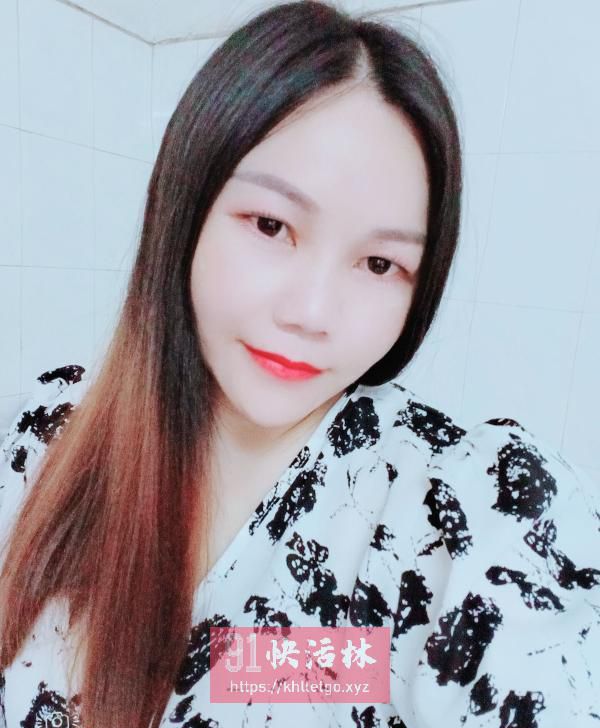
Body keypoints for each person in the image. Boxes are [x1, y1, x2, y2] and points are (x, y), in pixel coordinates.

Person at [1, 1, 599, 727]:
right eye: (271, 225)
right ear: (185, 209)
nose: (312, 314)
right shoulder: (42, 441)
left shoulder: (462, 516)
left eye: (378, 264)